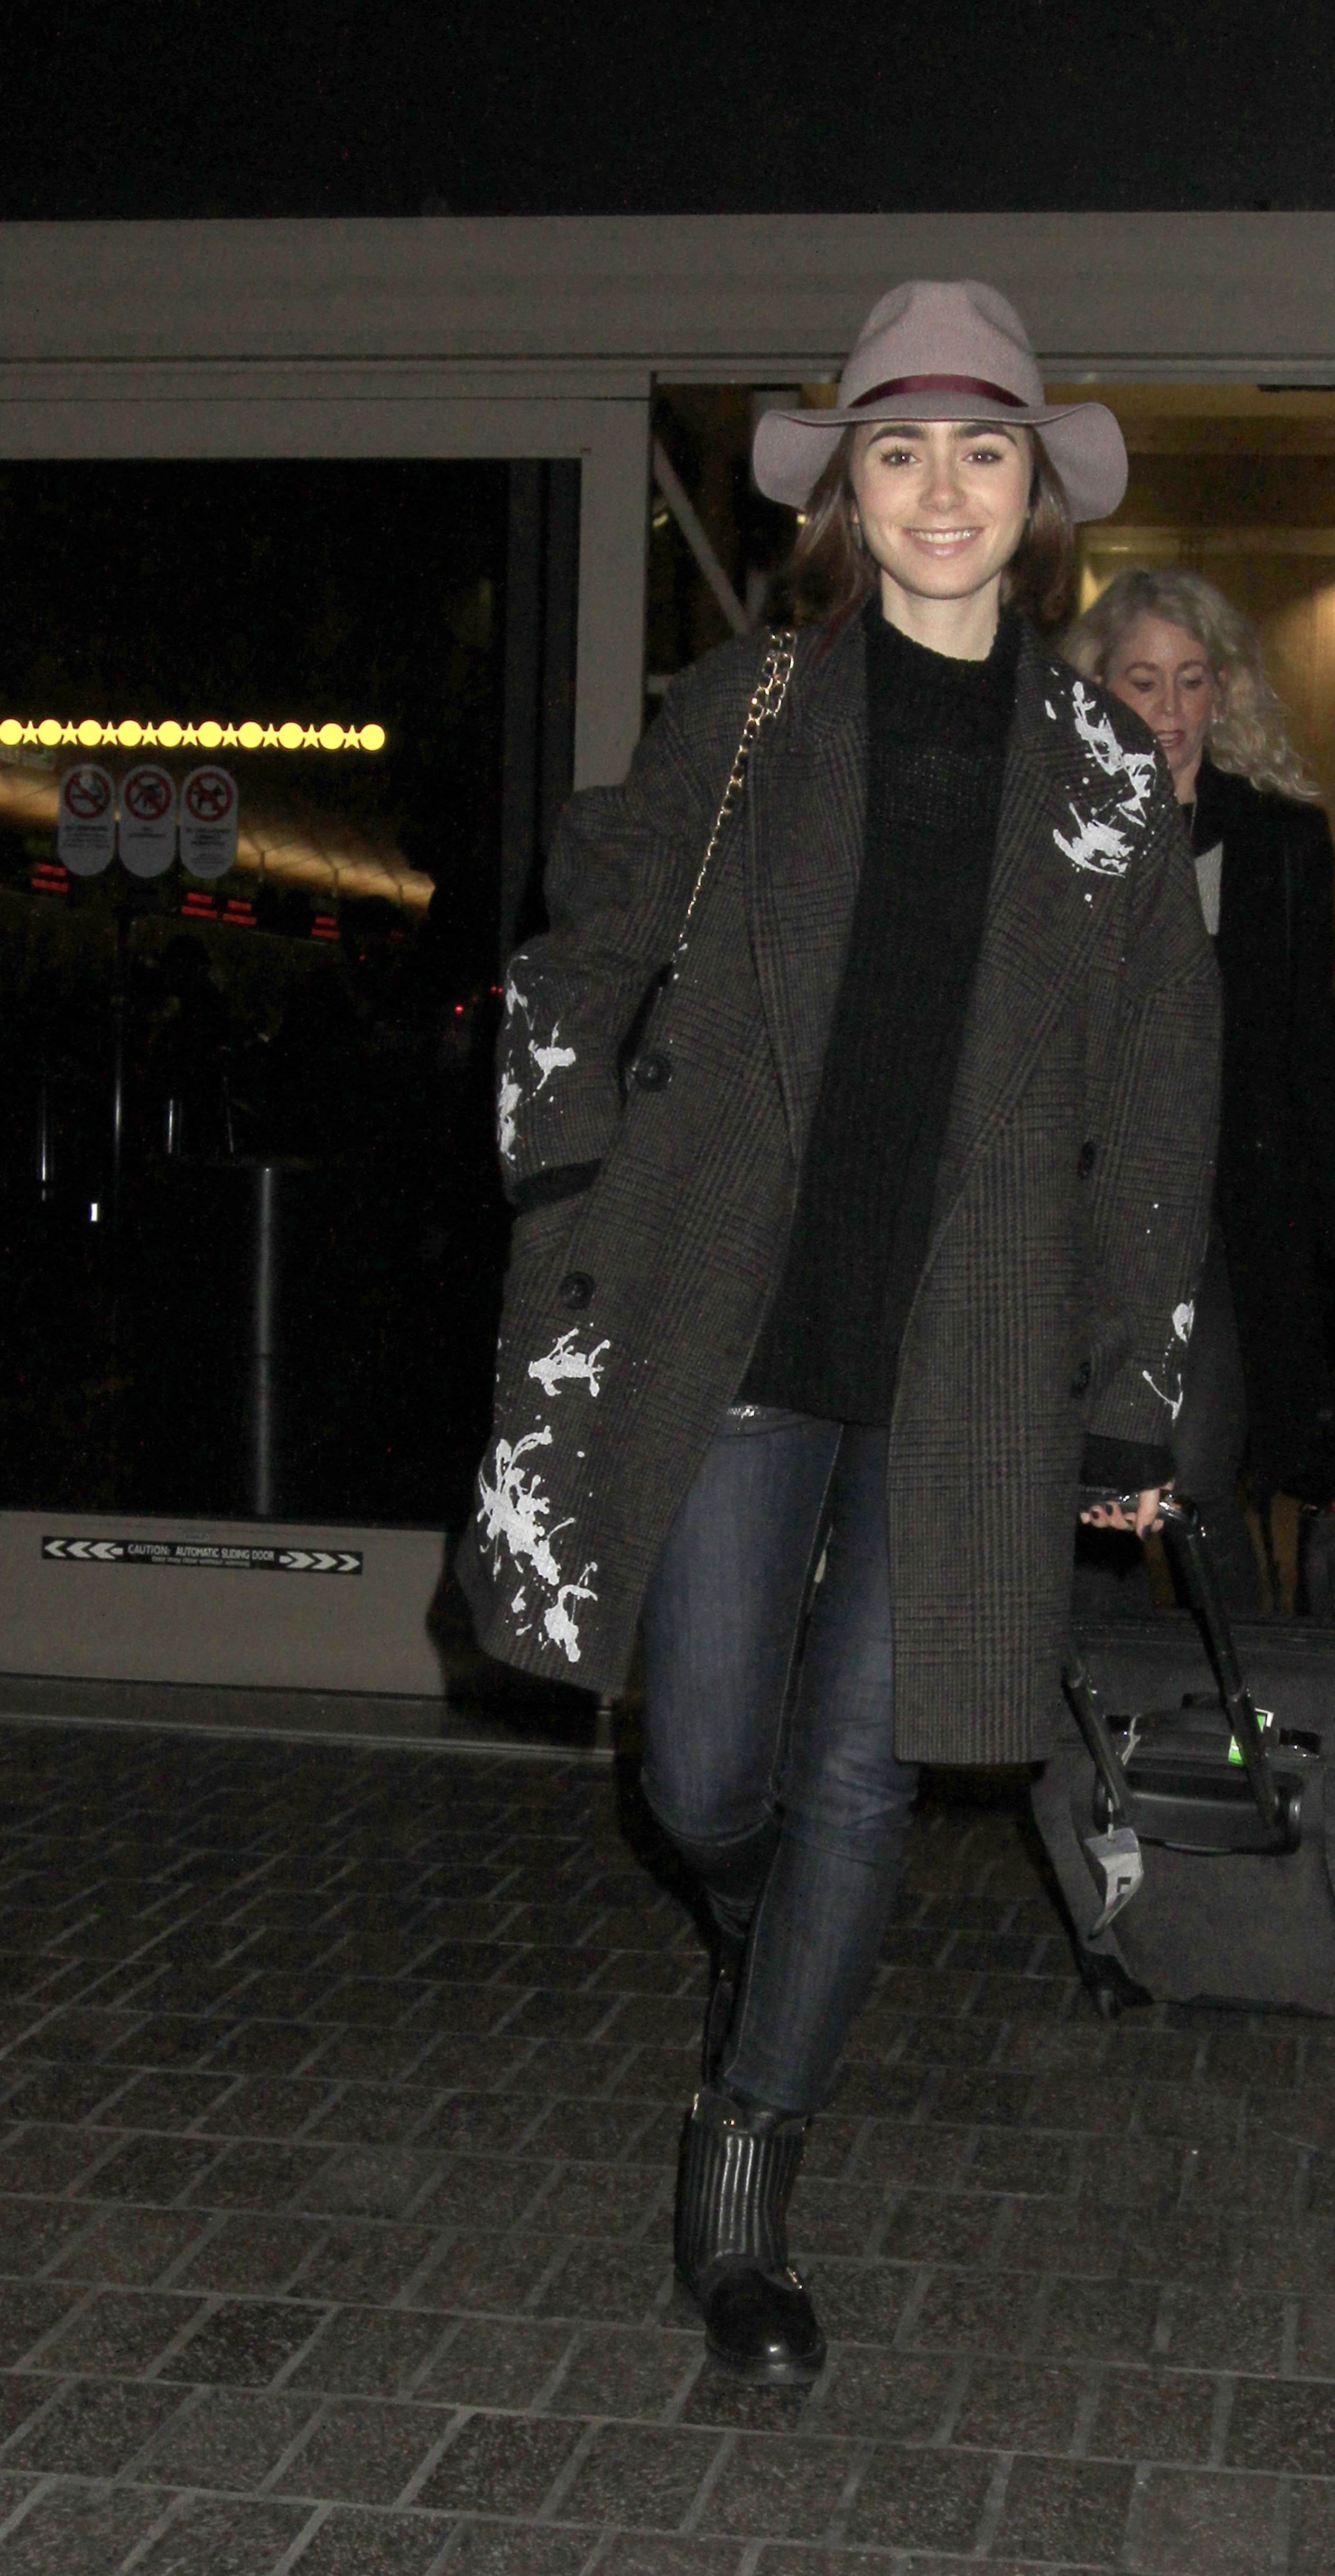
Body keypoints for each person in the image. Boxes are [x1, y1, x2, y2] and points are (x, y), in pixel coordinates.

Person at [456, 282, 1220, 2386]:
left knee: (865, 1766)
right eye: (898, 449)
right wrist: (563, 1174)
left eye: (981, 450)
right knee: (703, 1769)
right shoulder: (744, 713)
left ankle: (745, 2159)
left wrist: (1133, 1387)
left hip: (971, 1346)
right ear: (845, 495)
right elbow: (577, 947)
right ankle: (762, 1928)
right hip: (737, 1315)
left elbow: (1157, 1091)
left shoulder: (1100, 772)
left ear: (1034, 495)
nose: (940, 489)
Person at [1059, 568, 1335, 1592]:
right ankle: (1095, 1681)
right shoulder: (1054, 830)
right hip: (1076, 1196)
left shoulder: (1278, 835)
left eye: (1191, 680)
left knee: (1200, 1460)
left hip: (1224, 1198)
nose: (1169, 710)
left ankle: (1242, 1679)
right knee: (1088, 1472)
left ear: (1223, 690)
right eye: (1142, 682)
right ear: (1097, 689)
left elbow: (1307, 1034)